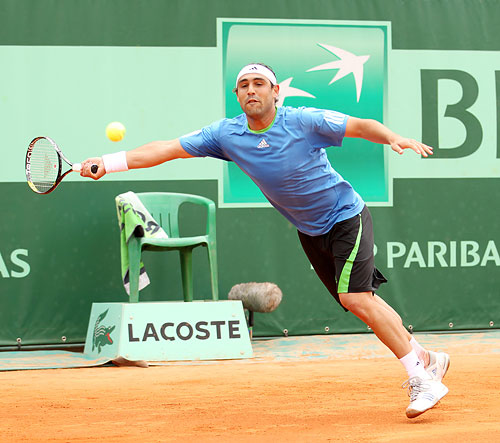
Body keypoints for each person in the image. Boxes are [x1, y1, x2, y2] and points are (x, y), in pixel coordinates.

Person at [80, 62, 450, 418]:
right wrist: (108, 163)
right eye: (244, 85)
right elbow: (166, 149)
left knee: (355, 298)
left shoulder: (303, 121)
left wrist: (393, 137)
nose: (251, 90)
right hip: (310, 230)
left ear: (276, 92)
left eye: (259, 84)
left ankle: (422, 379)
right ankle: (426, 358)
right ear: (236, 95)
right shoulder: (226, 134)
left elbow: (359, 125)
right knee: (361, 301)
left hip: (345, 216)